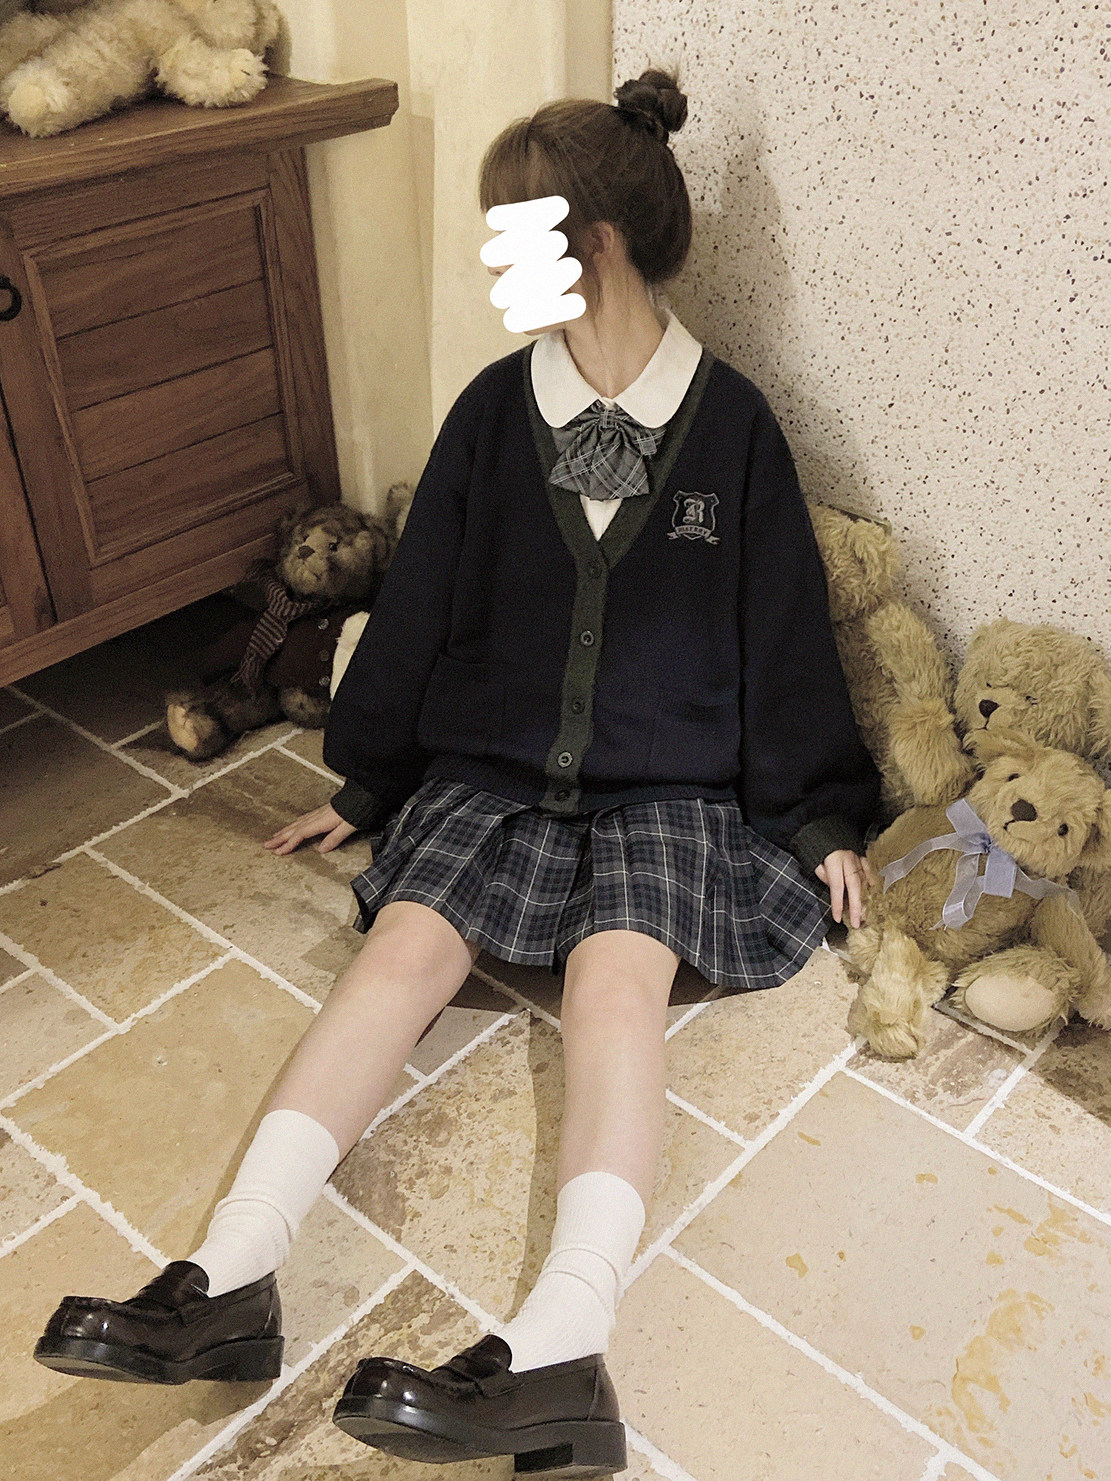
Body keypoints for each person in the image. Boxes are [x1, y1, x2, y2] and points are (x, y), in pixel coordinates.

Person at [33, 65, 882, 1478]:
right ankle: (228, 1276)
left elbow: (781, 630)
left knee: (618, 982)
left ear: (593, 242)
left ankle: (564, 1346)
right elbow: (421, 599)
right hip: (495, 771)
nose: (495, 267)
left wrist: (820, 812)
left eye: (513, 237)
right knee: (401, 952)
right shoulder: (495, 411)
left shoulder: (733, 425)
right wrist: (368, 778)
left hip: (667, 786)